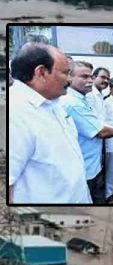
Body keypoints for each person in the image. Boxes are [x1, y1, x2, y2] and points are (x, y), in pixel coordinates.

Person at [8, 43, 91, 204]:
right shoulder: (14, 114)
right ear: (41, 72)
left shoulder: (54, 101)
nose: (70, 79)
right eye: (66, 73)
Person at [60, 61, 113, 204]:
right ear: (69, 77)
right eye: (84, 77)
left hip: (92, 162)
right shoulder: (75, 103)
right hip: (85, 167)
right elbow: (100, 131)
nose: (89, 80)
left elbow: (97, 121)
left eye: (90, 76)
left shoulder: (84, 97)